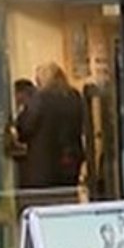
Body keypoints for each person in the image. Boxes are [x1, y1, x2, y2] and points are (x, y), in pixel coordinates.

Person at [16, 63, 85, 194]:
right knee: (67, 198)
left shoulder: (40, 99)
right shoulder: (75, 96)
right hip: (70, 161)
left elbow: (25, 128)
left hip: (44, 164)